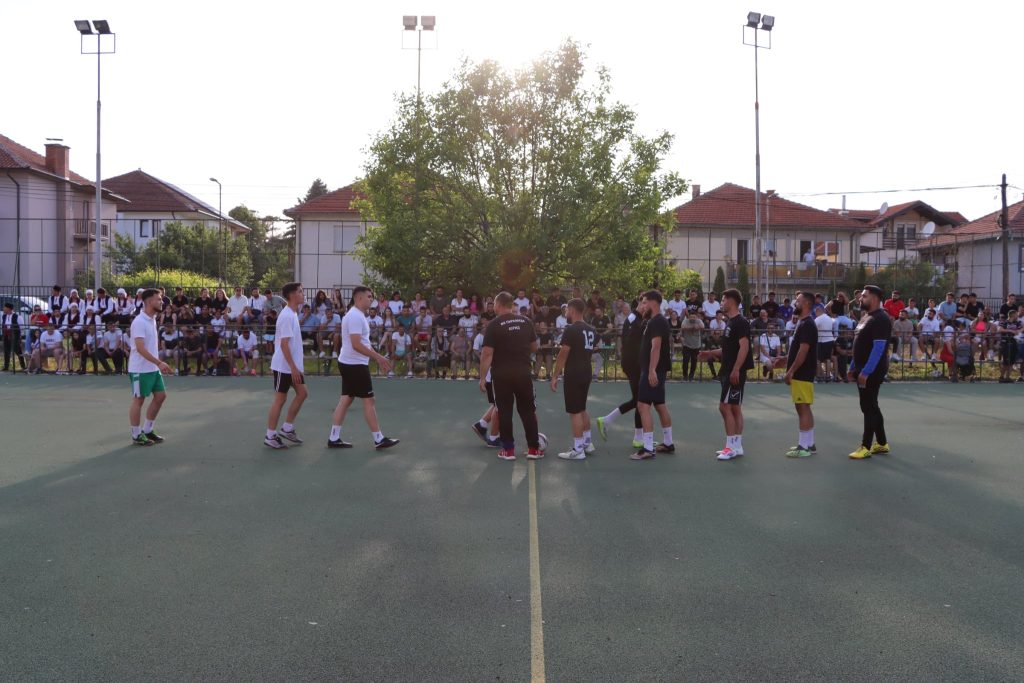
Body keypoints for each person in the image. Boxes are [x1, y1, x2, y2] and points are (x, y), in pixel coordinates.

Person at [328, 286, 398, 450]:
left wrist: (376, 357)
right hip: (354, 365)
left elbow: (364, 343)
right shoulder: (354, 316)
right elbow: (356, 344)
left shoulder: (358, 315)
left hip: (351, 363)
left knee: (346, 399)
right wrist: (378, 357)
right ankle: (379, 439)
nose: (371, 299)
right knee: (369, 400)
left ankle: (333, 437)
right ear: (359, 298)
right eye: (369, 296)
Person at [479, 291, 544, 461]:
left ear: (499, 305)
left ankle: (508, 450)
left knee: (504, 411)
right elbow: (534, 347)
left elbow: (487, 353)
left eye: (494, 304)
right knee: (528, 411)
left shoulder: (494, 325)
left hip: (502, 375)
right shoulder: (526, 321)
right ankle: (534, 448)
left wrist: (482, 377)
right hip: (523, 373)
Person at [698, 288, 752, 461]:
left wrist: (736, 369)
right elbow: (728, 349)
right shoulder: (731, 322)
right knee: (734, 408)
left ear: (731, 301)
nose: (721, 303)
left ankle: (730, 447)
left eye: (723, 299)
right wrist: (709, 353)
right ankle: (737, 446)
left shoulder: (741, 322)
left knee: (724, 407)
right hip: (728, 370)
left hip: (734, 372)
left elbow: (744, 347)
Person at [847, 285, 893, 459]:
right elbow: (858, 345)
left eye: (864, 296)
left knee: (868, 407)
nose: (860, 298)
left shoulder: (881, 318)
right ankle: (881, 443)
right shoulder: (866, 317)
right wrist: (853, 367)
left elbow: (878, 348)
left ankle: (865, 446)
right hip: (862, 368)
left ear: (874, 299)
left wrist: (866, 372)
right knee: (871, 405)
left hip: (872, 370)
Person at [550, 298, 597, 460]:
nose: (566, 312)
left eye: (567, 310)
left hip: (574, 373)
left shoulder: (571, 329)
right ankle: (587, 443)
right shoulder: (591, 330)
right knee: (582, 408)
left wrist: (555, 375)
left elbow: (563, 354)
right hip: (586, 371)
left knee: (574, 411)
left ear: (572, 310)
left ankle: (578, 449)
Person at [265, 282, 309, 449]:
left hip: (291, 366)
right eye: (300, 291)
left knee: (302, 393)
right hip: (284, 366)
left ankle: (287, 428)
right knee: (280, 400)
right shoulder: (286, 316)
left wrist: (295, 367)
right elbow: (284, 345)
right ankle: (270, 436)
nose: (303, 294)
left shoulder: (293, 313)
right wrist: (293, 368)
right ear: (292, 295)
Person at [596, 302, 646, 449]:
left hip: (636, 364)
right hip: (632, 364)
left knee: (639, 400)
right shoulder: (633, 318)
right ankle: (609, 421)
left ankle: (637, 436)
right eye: (644, 303)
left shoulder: (639, 319)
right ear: (640, 304)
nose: (647, 306)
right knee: (639, 400)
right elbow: (630, 342)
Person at [126, 290, 172, 446]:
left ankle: (147, 430)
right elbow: (140, 348)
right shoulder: (139, 322)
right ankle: (136, 434)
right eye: (159, 299)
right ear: (149, 301)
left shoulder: (152, 319)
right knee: (138, 400)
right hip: (139, 369)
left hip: (152, 368)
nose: (162, 302)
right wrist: (159, 362)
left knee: (160, 396)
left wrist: (156, 364)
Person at [631, 290, 674, 460]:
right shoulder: (654, 321)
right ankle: (668, 443)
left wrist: (651, 370)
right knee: (660, 405)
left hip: (653, 371)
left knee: (642, 406)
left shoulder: (657, 321)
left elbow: (656, 347)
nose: (642, 306)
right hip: (656, 370)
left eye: (644, 302)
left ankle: (648, 448)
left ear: (653, 303)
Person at [777, 292, 818, 458]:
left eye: (798, 301)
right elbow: (797, 349)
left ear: (806, 304)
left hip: (802, 373)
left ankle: (803, 447)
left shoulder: (807, 324)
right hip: (803, 373)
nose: (795, 303)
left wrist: (791, 371)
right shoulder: (803, 323)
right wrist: (785, 359)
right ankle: (809, 443)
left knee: (802, 407)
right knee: (804, 407)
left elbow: (803, 350)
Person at [997, 309, 1022, 383]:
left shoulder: (1017, 322)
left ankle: (1008, 377)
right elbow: (1000, 329)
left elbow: (1021, 328)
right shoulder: (1004, 322)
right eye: (1016, 314)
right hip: (1005, 343)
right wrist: (1010, 330)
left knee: (1011, 362)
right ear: (1012, 315)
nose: (1017, 315)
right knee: (1005, 362)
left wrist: (1018, 331)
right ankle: (1001, 377)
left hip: (1013, 343)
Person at [679, 310, 704, 381]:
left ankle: (691, 376)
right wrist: (692, 327)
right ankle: (685, 376)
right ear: (689, 317)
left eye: (694, 317)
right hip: (687, 344)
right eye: (691, 317)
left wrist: (696, 327)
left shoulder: (699, 321)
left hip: (696, 345)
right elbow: (683, 327)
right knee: (685, 361)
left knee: (694, 361)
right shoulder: (685, 321)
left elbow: (702, 326)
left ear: (696, 317)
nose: (692, 318)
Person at [815, 304, 837, 382]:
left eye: (816, 312)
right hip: (830, 340)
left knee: (818, 359)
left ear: (818, 311)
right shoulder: (830, 319)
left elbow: (814, 328)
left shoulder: (818, 319)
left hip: (821, 341)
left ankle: (819, 376)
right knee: (828, 358)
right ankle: (828, 376)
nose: (815, 314)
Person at [2, 302, 24, 372]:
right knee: (6, 351)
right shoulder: (4, 316)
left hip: (15, 335)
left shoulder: (17, 316)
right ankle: (6, 366)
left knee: (18, 350)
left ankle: (23, 366)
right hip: (6, 335)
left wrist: (20, 336)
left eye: (5, 307)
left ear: (8, 309)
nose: (3, 309)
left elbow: (21, 327)